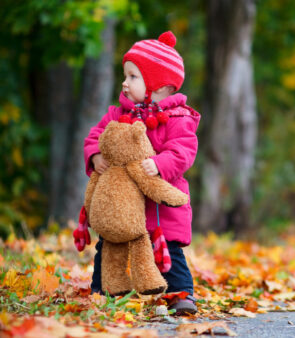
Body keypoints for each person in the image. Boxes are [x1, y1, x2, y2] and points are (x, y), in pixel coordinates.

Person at [83, 31, 200, 315]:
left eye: (134, 77)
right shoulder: (117, 115)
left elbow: (183, 150)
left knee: (168, 252)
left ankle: (181, 295)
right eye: (125, 75)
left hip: (161, 208)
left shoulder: (177, 118)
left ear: (160, 86)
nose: (125, 83)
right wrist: (95, 155)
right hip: (123, 206)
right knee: (108, 246)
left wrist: (160, 164)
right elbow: (95, 136)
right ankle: (103, 291)